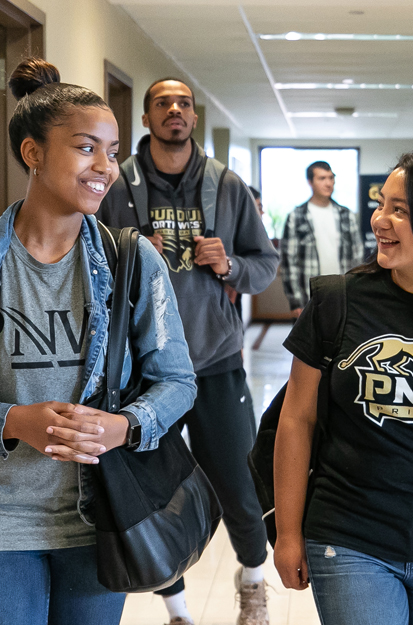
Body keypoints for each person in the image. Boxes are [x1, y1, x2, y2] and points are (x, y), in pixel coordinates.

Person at [0, 58, 196, 625]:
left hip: (100, 518)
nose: (105, 167)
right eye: (87, 148)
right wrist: (14, 420)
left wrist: (125, 425)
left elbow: (178, 382)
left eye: (111, 152)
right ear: (33, 153)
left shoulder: (133, 259)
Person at [273, 148, 413, 625]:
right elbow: (297, 419)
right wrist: (289, 532)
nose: (380, 219)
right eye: (382, 204)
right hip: (349, 535)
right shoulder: (338, 300)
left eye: (401, 210)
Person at [97, 77, 279, 625]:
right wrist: (127, 259)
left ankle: (252, 583)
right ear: (148, 119)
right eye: (163, 104)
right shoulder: (115, 183)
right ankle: (177, 610)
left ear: (194, 118)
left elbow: (264, 264)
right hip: (140, 372)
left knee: (240, 485)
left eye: (184, 104)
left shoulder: (227, 185)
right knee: (152, 495)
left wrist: (229, 265)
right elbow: (83, 262)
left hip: (215, 360)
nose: (175, 110)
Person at [280, 161, 363, 318]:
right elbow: (288, 262)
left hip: (342, 295)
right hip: (309, 296)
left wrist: (355, 293)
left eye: (331, 178)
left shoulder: (346, 215)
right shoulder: (296, 217)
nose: (328, 183)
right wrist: (295, 301)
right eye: (322, 178)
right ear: (310, 182)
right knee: (310, 342)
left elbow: (357, 257)